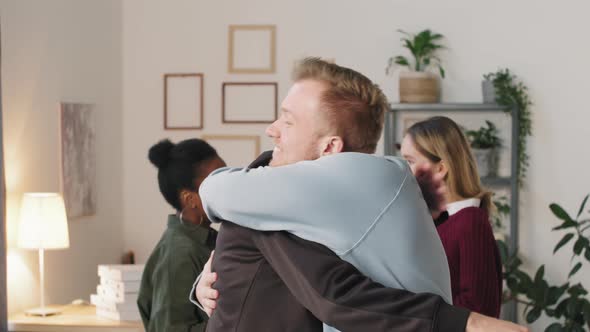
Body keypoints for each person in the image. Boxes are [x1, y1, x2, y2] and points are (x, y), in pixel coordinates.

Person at [192, 58, 528, 332]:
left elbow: (214, 190)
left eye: (288, 121)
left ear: (330, 148)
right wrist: (202, 284)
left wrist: (469, 323)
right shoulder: (367, 184)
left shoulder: (353, 181)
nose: (272, 129)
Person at [401, 116, 502, 317]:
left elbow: (479, 309)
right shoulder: (439, 221)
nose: (404, 170)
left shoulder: (470, 222)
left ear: (440, 169)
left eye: (409, 161)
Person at [137, 138, 225, 332]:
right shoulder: (179, 253)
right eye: (217, 181)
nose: (228, 185)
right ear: (190, 198)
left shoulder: (208, 239)